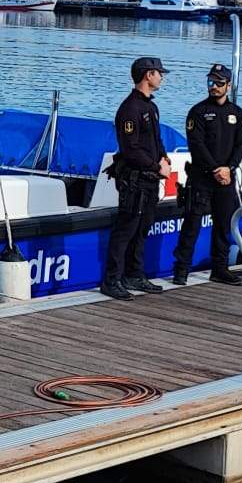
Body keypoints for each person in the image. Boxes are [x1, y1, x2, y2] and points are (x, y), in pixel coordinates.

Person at [173, 62, 242, 286]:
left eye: (218, 83)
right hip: (202, 178)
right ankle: (181, 269)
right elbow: (196, 145)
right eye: (210, 82)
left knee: (224, 224)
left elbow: (241, 144)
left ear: (228, 85)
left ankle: (220, 268)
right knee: (192, 224)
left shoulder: (237, 113)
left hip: (226, 178)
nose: (214, 86)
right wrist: (216, 169)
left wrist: (229, 168)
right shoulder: (198, 112)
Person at [102, 56, 168, 300]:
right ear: (147, 75)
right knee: (125, 230)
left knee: (142, 229)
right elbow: (130, 148)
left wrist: (163, 159)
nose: (161, 77)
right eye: (159, 73)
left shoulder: (151, 106)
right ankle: (111, 280)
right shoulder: (131, 109)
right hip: (135, 180)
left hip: (150, 179)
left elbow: (155, 139)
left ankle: (134, 274)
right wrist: (155, 165)